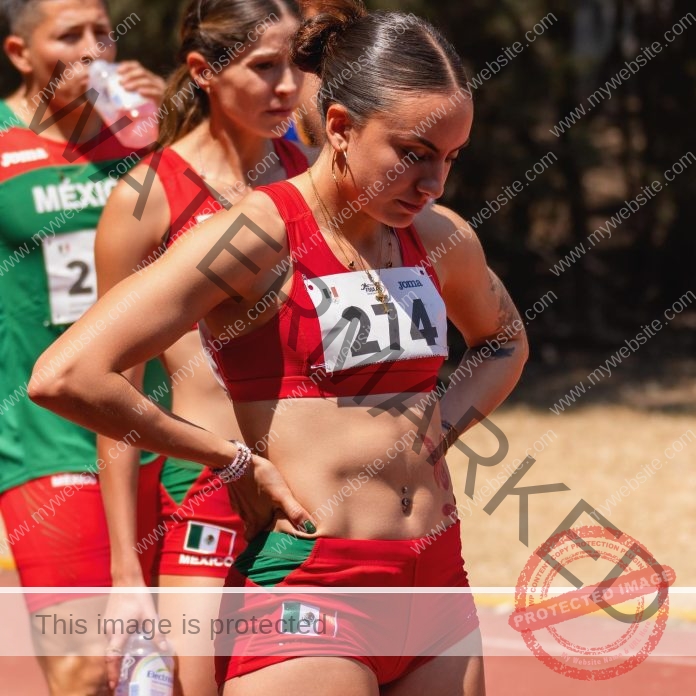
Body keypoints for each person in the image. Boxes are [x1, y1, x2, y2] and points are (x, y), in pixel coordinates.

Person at [30, 4, 529, 694]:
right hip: (309, 589)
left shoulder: (439, 236)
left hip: (436, 581)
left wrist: (441, 424)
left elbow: (505, 340)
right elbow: (66, 374)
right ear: (342, 128)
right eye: (412, 154)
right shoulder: (257, 234)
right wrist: (226, 459)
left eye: (450, 158)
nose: (435, 182)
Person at [94, 0, 307, 693]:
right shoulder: (144, 198)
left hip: (311, 484)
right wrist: (127, 576)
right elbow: (112, 395)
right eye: (264, 66)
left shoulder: (312, 172)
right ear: (203, 71)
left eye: (296, 64)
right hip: (208, 491)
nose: (287, 86)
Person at [0, 0, 166, 694]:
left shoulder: (144, 134)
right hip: (47, 438)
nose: (95, 49)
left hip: (157, 430)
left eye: (103, 31)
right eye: (70, 36)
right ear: (19, 54)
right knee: (85, 669)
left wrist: (179, 130)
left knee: (172, 662)